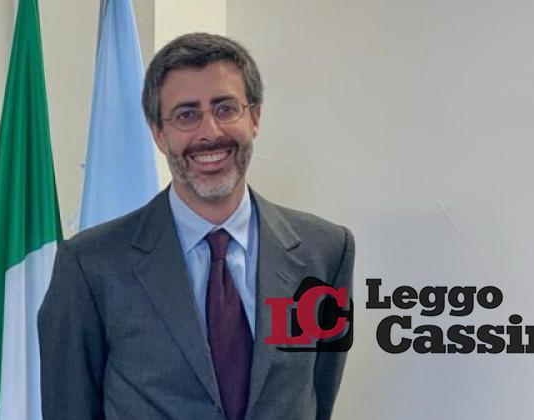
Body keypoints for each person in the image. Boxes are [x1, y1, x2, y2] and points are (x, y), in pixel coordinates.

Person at [38, 33, 355, 420]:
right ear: (158, 133)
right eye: (186, 115)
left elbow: (318, 397)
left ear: (255, 117)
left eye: (225, 108)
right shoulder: (90, 265)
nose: (210, 132)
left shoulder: (326, 252)